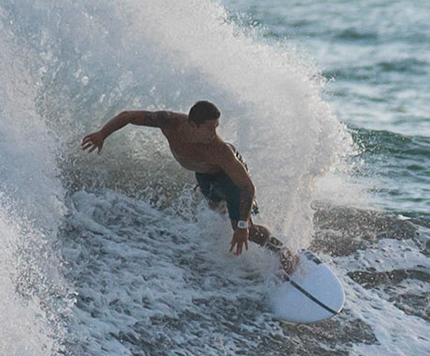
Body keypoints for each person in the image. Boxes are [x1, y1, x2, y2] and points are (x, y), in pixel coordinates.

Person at [80, 100, 299, 274]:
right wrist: (102, 134)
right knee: (218, 211)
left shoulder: (220, 151)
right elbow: (128, 116)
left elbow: (247, 187)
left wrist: (242, 225)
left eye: (216, 127)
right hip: (204, 176)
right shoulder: (169, 122)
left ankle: (283, 253)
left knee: (243, 228)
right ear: (192, 125)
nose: (214, 134)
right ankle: (249, 245)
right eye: (209, 128)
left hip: (228, 177)